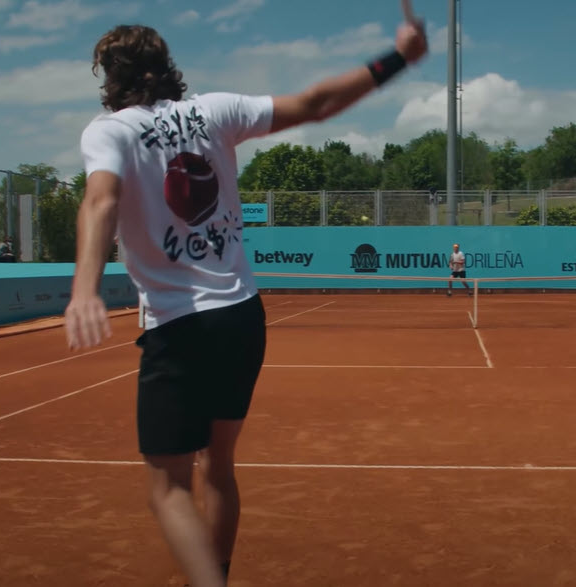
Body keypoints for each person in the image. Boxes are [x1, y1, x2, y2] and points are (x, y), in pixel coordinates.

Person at [64, 18, 428, 587]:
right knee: (220, 467)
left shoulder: (109, 131)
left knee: (167, 489)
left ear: (110, 78)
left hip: (179, 326)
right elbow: (315, 103)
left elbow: (100, 200)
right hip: (241, 316)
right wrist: (396, 59)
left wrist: (84, 285)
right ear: (166, 67)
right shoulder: (215, 111)